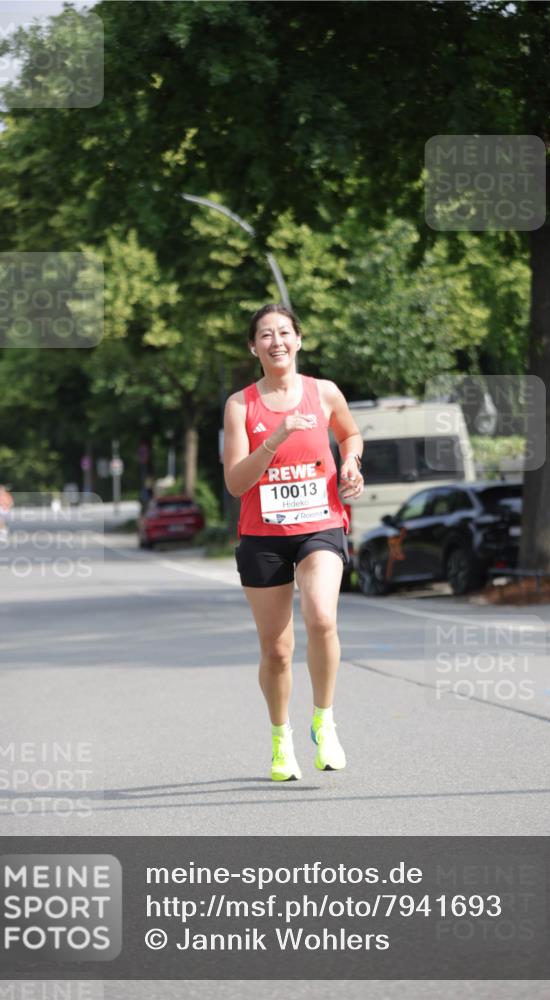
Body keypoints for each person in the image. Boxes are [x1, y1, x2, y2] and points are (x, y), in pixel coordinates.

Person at [223, 304, 364, 782]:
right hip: (263, 537)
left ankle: (324, 719)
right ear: (253, 347)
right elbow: (237, 483)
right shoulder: (241, 406)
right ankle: (281, 738)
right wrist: (276, 437)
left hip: (319, 525)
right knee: (276, 650)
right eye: (266, 334)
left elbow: (351, 434)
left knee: (322, 615)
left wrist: (351, 464)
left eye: (285, 332)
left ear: (299, 340)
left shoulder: (323, 393)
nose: (276, 341)